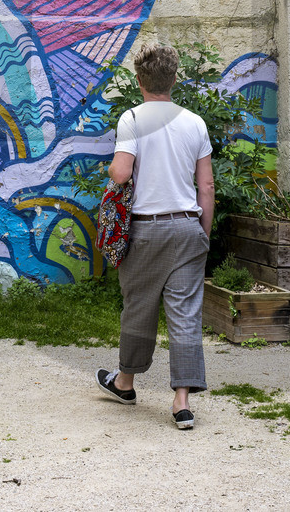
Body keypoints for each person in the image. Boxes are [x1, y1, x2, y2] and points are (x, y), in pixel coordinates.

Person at [95, 43, 214, 429]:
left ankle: (125, 382)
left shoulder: (132, 118)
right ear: (174, 78)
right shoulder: (195, 122)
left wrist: (114, 167)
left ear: (139, 80)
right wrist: (203, 234)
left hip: (145, 229)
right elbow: (207, 186)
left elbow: (121, 173)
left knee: (139, 305)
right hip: (187, 226)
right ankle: (181, 402)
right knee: (185, 312)